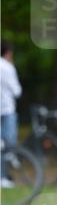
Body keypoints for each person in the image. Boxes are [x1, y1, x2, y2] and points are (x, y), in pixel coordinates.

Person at [1, 40, 22, 188]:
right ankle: (11, 156)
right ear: (8, 52)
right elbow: (17, 91)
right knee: (9, 143)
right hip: (7, 109)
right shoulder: (8, 67)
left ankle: (3, 177)